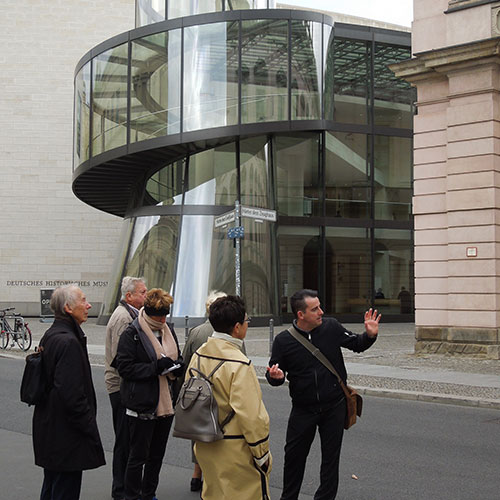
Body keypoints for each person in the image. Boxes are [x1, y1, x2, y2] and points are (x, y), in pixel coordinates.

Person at [266, 289, 381, 500]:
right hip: (303, 409)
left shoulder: (331, 327)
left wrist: (370, 335)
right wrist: (276, 376)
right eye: (315, 309)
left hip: (334, 406)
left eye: (319, 306)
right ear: (301, 315)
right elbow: (275, 373)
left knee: (330, 460)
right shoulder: (284, 341)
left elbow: (357, 344)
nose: (321, 311)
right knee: (294, 457)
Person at [187, 295, 271, 500]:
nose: (247, 325)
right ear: (236, 327)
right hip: (235, 447)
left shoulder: (199, 355)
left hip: (206, 442)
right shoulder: (239, 363)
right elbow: (252, 416)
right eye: (246, 321)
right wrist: (262, 454)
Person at [33, 285, 105, 500]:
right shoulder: (68, 341)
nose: (88, 305)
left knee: (52, 484)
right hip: (67, 433)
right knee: (65, 489)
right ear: (68, 308)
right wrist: (89, 425)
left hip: (51, 426)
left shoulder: (52, 335)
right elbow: (72, 395)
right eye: (83, 300)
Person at [113, 288, 184, 500]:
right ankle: (132, 495)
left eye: (166, 314)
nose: (163, 319)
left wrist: (178, 366)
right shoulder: (132, 333)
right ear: (148, 311)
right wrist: (155, 367)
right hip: (142, 404)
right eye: (159, 315)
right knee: (138, 456)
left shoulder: (167, 329)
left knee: (156, 455)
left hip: (166, 402)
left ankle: (149, 493)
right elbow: (124, 368)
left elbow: (177, 356)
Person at [105, 276, 147, 500]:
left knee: (128, 439)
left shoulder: (131, 313)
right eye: (142, 292)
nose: (146, 295)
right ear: (129, 296)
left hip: (123, 385)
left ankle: (126, 486)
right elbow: (121, 359)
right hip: (121, 387)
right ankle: (120, 489)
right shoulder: (123, 317)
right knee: (124, 439)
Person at [181, 290, 227, 492]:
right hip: (221, 392)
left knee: (199, 433)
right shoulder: (228, 334)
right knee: (221, 434)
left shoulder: (196, 331)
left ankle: (196, 475)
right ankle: (213, 477)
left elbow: (185, 361)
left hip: (199, 392)